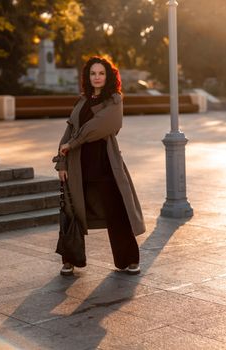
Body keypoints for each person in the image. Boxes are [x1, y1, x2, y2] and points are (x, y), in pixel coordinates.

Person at [53, 56, 146, 276]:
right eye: (93, 73)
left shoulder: (114, 100)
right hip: (78, 165)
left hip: (105, 165)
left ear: (108, 76)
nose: (97, 77)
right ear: (88, 76)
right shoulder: (82, 100)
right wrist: (62, 162)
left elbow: (101, 126)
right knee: (71, 211)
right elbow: (69, 130)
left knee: (117, 212)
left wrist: (73, 143)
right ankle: (69, 259)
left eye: (101, 73)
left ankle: (129, 259)